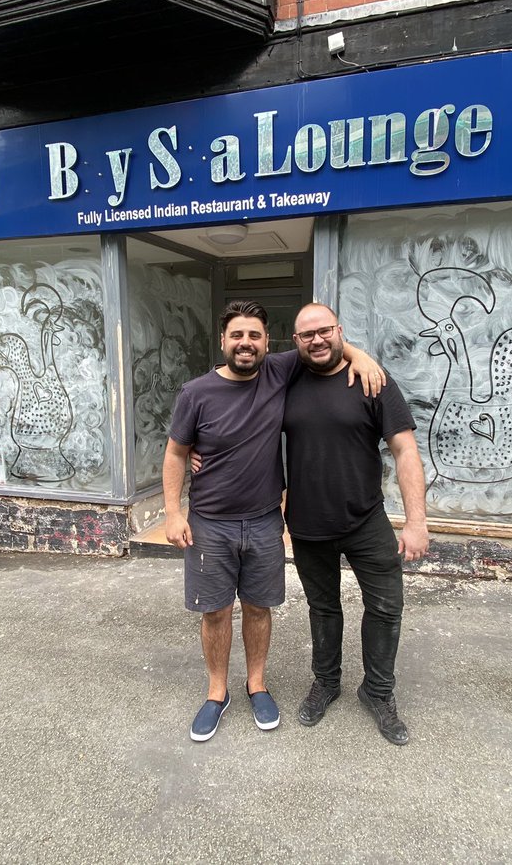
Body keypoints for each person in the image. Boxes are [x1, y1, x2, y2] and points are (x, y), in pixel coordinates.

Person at [163, 299, 384, 743]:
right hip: (210, 523)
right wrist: (173, 511)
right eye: (238, 335)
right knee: (215, 611)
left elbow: (324, 343)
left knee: (260, 608)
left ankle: (257, 684)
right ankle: (216, 692)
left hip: (265, 520)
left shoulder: (280, 371)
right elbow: (174, 452)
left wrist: (360, 355)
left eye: (255, 336)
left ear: (268, 342)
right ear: (223, 341)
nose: (246, 344)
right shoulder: (196, 393)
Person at [283, 303, 429, 746]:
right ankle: (326, 682)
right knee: (323, 608)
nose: (317, 340)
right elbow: (228, 376)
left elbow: (405, 451)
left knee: (386, 607)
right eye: (307, 335)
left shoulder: (373, 380)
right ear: (295, 342)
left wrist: (416, 522)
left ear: (339, 331)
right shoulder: (283, 377)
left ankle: (378, 691)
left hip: (367, 520)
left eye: (325, 331)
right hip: (308, 523)